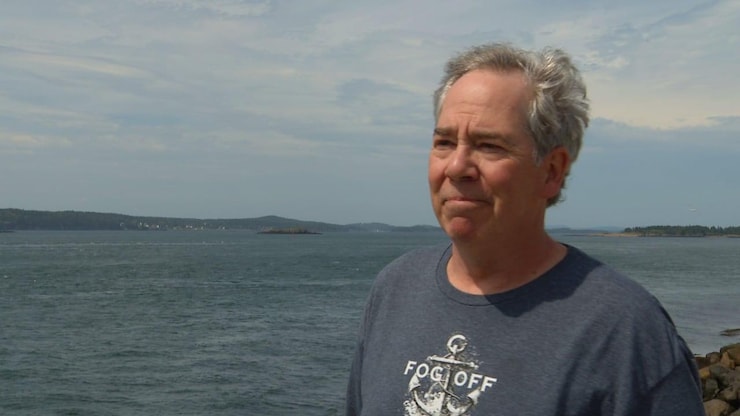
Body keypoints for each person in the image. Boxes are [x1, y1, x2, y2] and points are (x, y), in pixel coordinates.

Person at [345, 43, 704, 415]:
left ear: (551, 171)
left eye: (489, 145)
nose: (456, 167)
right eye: (444, 143)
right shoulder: (395, 289)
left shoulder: (624, 330)